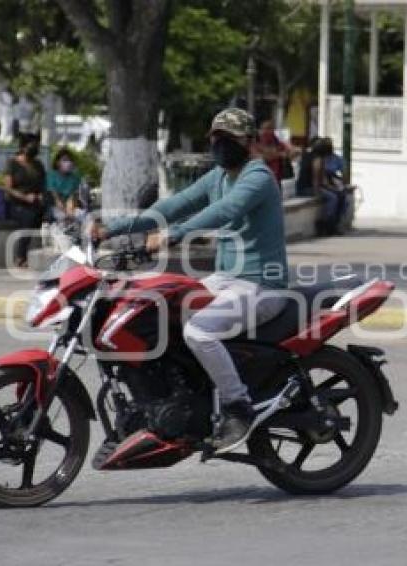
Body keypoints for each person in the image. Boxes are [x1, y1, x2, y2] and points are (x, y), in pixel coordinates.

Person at [92, 108, 288, 453]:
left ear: (249, 142)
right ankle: (177, 401)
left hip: (260, 286)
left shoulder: (258, 177)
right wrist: (110, 229)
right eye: (216, 137)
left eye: (230, 139)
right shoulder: (217, 177)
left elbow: (225, 211)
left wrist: (172, 236)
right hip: (225, 279)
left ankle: (237, 406)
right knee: (156, 311)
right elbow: (172, 206)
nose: (221, 144)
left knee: (200, 330)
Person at [2, 133, 46, 267]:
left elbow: (43, 185)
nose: (35, 148)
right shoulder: (12, 164)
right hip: (16, 203)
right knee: (29, 217)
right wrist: (25, 197)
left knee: (46, 216)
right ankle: (20, 256)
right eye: (31, 145)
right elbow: (8, 188)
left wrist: (41, 195)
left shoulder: (38, 165)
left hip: (35, 202)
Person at [295, 137, 347, 235]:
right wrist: (319, 192)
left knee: (339, 195)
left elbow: (323, 180)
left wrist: (333, 188)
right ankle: (327, 224)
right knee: (333, 198)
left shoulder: (307, 155)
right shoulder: (317, 159)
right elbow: (317, 180)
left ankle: (333, 224)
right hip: (307, 188)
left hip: (305, 187)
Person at [46, 148, 85, 224]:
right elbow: (55, 198)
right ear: (58, 163)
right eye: (65, 160)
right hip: (54, 208)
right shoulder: (51, 175)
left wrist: (71, 209)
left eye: (70, 160)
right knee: (61, 217)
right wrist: (66, 212)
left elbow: (74, 196)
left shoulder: (75, 178)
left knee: (84, 216)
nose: (68, 163)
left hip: (70, 208)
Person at [254, 119, 292, 184]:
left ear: (273, 130)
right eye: (262, 129)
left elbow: (292, 152)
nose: (265, 131)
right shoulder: (255, 144)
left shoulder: (278, 143)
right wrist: (279, 154)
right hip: (259, 181)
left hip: (276, 181)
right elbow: (261, 158)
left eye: (268, 128)